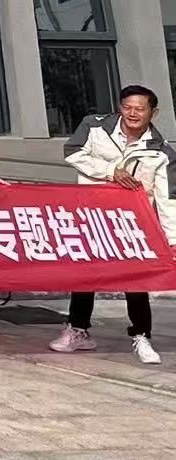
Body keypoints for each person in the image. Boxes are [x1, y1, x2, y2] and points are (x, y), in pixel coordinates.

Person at [49, 85, 176, 364]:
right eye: (127, 107)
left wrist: (172, 239)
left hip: (132, 224)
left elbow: (167, 198)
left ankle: (141, 335)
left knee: (135, 279)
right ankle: (78, 329)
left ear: (153, 112)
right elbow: (72, 151)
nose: (132, 113)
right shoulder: (94, 127)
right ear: (120, 107)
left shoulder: (161, 151)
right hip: (92, 217)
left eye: (140, 109)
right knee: (85, 274)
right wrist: (110, 171)